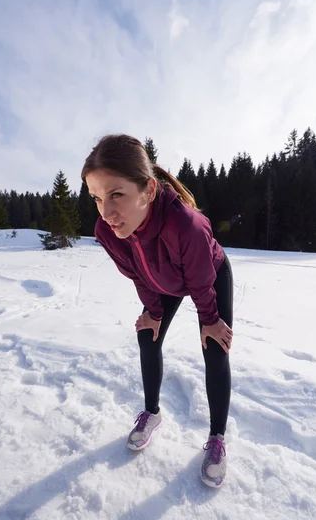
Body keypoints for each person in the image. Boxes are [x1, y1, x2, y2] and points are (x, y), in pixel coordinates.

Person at [81, 134, 234, 488]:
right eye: (97, 198)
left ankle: (217, 439)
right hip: (163, 282)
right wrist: (153, 311)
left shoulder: (186, 225)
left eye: (116, 194)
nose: (106, 212)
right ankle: (151, 413)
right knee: (148, 337)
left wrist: (210, 320)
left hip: (207, 277)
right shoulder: (106, 230)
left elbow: (198, 281)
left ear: (148, 190)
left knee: (215, 348)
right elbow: (137, 272)